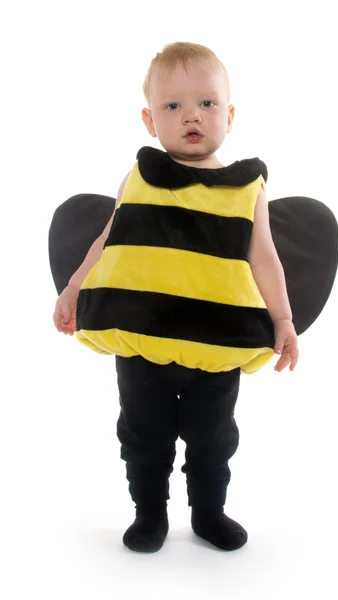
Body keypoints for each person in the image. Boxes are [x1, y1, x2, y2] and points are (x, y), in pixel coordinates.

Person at [53, 41, 299, 553]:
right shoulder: (140, 178)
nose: (192, 115)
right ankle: (150, 515)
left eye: (207, 103)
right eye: (173, 106)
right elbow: (108, 240)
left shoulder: (246, 189)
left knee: (213, 438)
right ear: (149, 121)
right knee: (143, 436)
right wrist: (74, 287)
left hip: (214, 345)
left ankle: (209, 513)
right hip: (143, 341)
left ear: (229, 114)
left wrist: (283, 319)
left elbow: (265, 258)